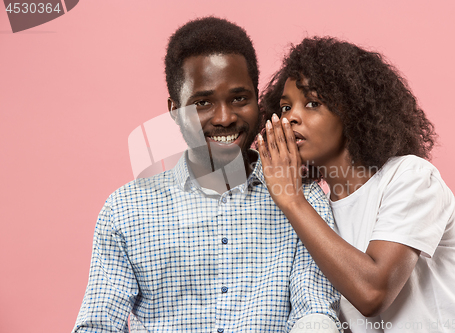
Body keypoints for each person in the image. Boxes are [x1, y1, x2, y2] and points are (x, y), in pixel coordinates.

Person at [72, 19, 342, 332]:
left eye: (239, 98)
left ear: (257, 98)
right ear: (174, 110)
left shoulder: (304, 199)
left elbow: (316, 314)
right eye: (203, 103)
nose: (225, 118)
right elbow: (98, 324)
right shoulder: (125, 211)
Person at [258, 37, 455, 332]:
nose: (290, 117)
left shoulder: (412, 178)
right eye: (284, 108)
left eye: (313, 103)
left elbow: (372, 293)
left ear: (352, 111)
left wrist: (291, 199)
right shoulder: (314, 209)